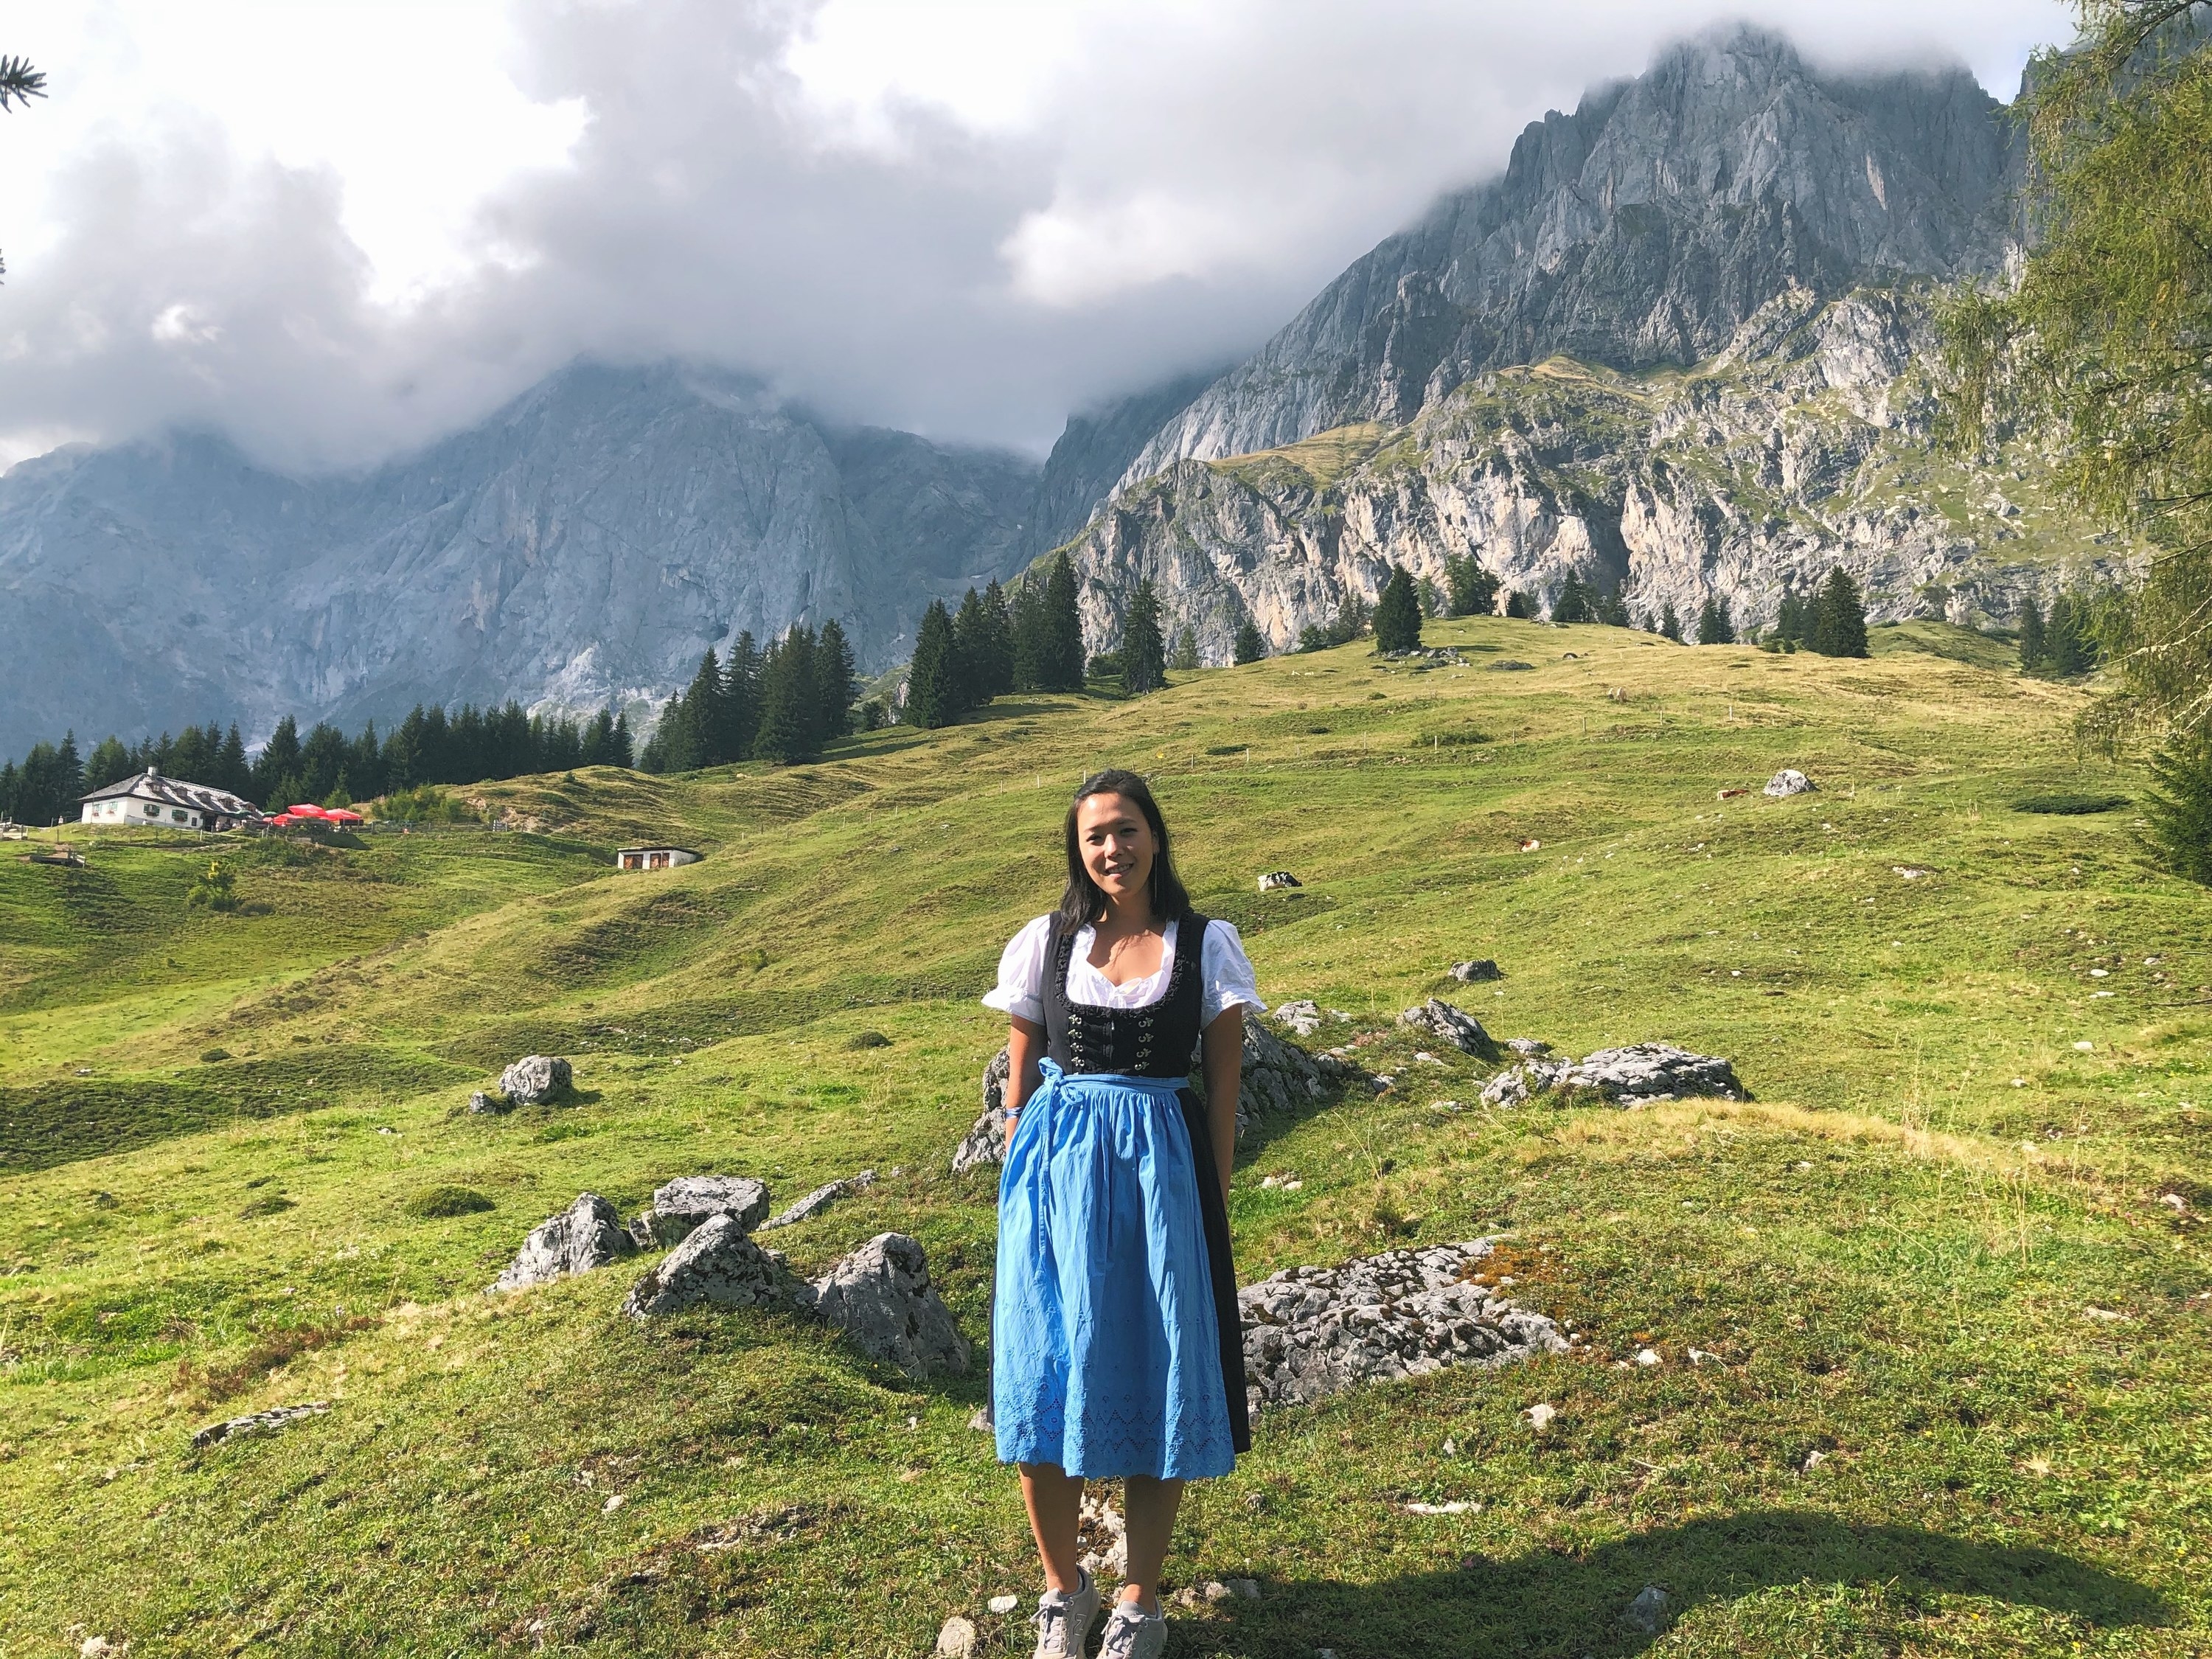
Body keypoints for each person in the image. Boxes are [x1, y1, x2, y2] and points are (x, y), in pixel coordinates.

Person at [983, 768, 1264, 1659]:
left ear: (1157, 836)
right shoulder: (1046, 940)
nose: (1113, 848)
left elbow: (1222, 1083)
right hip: (1056, 1182)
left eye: (1127, 830)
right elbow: (1019, 1069)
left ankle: (1140, 1599)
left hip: (1160, 1178)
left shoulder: (1205, 942)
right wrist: (1019, 1169)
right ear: (1078, 847)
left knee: (1155, 1374)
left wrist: (1211, 1198)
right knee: (1040, 1374)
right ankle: (1064, 1590)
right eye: (1096, 835)